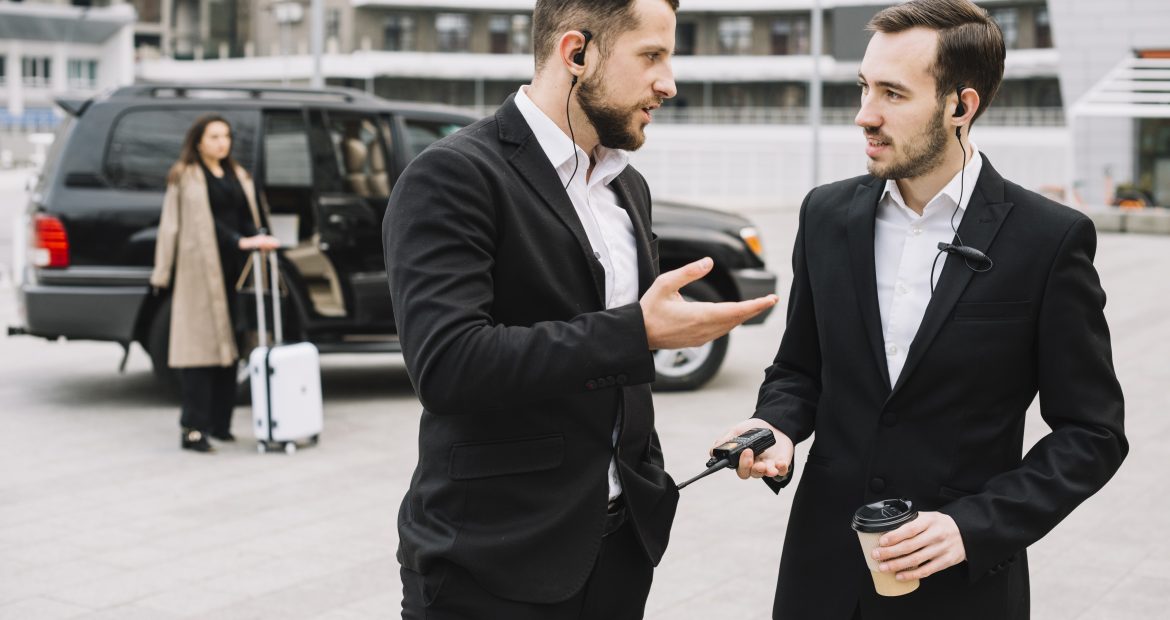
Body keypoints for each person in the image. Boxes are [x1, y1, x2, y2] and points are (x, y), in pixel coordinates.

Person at [714, 1, 1128, 618]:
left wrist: (974, 525)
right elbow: (800, 369)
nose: (864, 115)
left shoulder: (1050, 239)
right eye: (863, 87)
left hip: (962, 590)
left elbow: (1093, 433)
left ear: (961, 106)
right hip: (821, 578)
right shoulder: (825, 216)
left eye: (892, 94)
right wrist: (778, 424)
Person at [383, 0, 777, 616]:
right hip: (491, 563)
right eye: (651, 56)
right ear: (577, 54)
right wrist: (638, 332)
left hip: (619, 550)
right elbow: (449, 365)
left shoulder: (627, 185)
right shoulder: (453, 174)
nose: (668, 83)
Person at [150, 115, 280, 453]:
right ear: (198, 142)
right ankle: (193, 429)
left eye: (226, 136)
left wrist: (258, 238)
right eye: (214, 137)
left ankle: (220, 425)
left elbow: (246, 217)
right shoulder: (185, 177)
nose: (222, 143)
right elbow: (172, 227)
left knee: (232, 350)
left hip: (235, 272)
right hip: (199, 271)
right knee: (199, 354)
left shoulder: (238, 175)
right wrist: (162, 273)